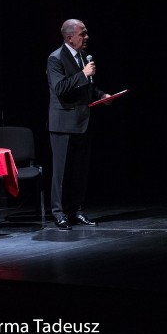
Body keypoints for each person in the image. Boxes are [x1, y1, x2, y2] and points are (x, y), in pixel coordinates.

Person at [47, 18, 111, 230]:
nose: (86, 37)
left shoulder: (84, 57)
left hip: (83, 121)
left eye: (86, 33)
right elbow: (61, 88)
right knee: (62, 172)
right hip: (63, 124)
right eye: (82, 34)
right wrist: (83, 74)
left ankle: (76, 211)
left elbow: (89, 88)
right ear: (69, 37)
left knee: (80, 171)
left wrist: (103, 95)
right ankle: (59, 213)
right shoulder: (55, 59)